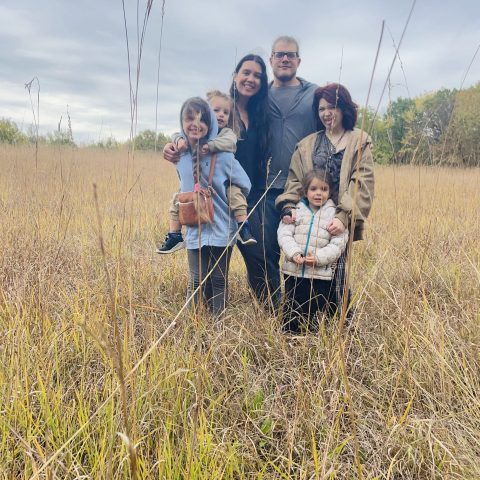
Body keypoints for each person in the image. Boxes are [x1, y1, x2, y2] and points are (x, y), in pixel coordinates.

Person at [275, 83, 375, 322]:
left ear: (344, 109)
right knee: (300, 274)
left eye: (332, 107)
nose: (327, 113)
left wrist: (344, 218)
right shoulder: (307, 144)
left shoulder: (359, 141)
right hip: (306, 220)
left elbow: (362, 182)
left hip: (336, 222)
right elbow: (294, 181)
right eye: (321, 109)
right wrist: (288, 207)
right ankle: (299, 324)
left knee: (335, 275)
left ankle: (338, 329)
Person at [174, 97, 251, 317]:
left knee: (218, 278)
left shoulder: (225, 156)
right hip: (194, 225)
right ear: (181, 123)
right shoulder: (181, 155)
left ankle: (219, 322)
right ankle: (192, 322)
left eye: (201, 120)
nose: (195, 124)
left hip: (221, 226)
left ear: (211, 125)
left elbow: (244, 183)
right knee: (196, 278)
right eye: (189, 119)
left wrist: (229, 194)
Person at [157, 90, 256, 254]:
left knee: (234, 192)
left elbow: (230, 143)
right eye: (215, 110)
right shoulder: (188, 146)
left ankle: (243, 227)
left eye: (226, 112)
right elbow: (178, 133)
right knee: (178, 197)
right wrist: (177, 141)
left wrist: (209, 146)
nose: (221, 115)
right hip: (196, 196)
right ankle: (174, 235)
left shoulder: (226, 135)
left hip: (220, 201)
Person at [277, 168, 348, 333]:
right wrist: (294, 253)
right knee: (292, 308)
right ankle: (290, 338)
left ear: (330, 192)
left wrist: (318, 258)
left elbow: (338, 243)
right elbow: (284, 234)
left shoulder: (335, 216)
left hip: (320, 274)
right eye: (313, 189)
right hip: (293, 271)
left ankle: (313, 341)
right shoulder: (296, 211)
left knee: (316, 310)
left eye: (324, 189)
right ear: (305, 191)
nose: (318, 193)